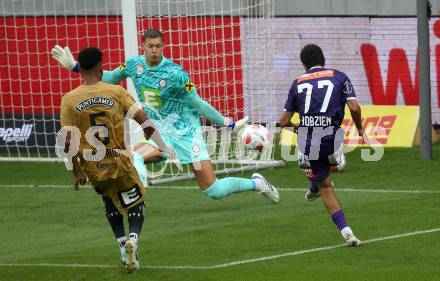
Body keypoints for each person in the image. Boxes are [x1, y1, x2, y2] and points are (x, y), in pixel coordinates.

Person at [52, 29, 279, 203]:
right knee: (134, 156)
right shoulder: (133, 65)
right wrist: (74, 66)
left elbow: (197, 102)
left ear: (163, 47)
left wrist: (228, 124)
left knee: (213, 190)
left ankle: (256, 183)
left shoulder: (176, 73)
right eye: (150, 46)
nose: (154, 50)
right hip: (159, 134)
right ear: (143, 46)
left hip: (186, 133)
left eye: (158, 46)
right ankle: (138, 200)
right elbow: (108, 77)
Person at [59, 47, 175, 273]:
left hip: (93, 165)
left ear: (80, 69)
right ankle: (133, 239)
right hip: (119, 161)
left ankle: (123, 246)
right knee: (137, 202)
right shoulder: (116, 92)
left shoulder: (69, 99)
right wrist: (162, 145)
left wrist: (76, 172)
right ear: (101, 66)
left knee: (109, 200)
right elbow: (144, 120)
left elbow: (67, 141)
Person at [279, 44, 363, 246]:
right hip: (332, 137)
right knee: (330, 164)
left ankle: (347, 233)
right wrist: (360, 128)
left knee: (325, 185)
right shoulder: (339, 76)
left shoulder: (297, 83)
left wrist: (296, 127)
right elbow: (354, 106)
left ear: (303, 64)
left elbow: (282, 121)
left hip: (308, 141)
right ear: (323, 60)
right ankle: (324, 174)